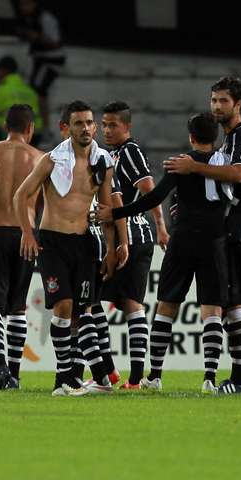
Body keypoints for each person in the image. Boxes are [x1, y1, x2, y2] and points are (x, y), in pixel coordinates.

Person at [97, 113, 241, 394]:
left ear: (191, 137)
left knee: (167, 305)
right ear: (215, 137)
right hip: (215, 240)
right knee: (211, 308)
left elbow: (153, 198)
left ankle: (155, 375)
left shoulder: (180, 163)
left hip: (183, 238)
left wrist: (116, 212)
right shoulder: (226, 165)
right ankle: (209, 378)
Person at [164, 76, 241, 393]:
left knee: (232, 302)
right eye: (213, 100)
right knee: (228, 302)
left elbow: (238, 173)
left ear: (238, 105)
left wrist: (193, 168)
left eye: (223, 101)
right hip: (230, 229)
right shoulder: (226, 142)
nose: (216, 106)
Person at [13, 100, 117, 396]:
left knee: (80, 314)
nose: (85, 128)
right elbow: (21, 196)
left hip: (84, 242)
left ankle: (84, 378)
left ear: (94, 126)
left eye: (89, 122)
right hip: (52, 241)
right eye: (78, 123)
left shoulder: (103, 162)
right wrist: (27, 234)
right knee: (63, 307)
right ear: (66, 129)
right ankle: (63, 378)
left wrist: (111, 249)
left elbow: (107, 208)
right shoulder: (51, 160)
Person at [100, 100, 170, 389]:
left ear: (127, 126)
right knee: (110, 304)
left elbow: (149, 189)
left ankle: (132, 377)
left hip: (133, 236)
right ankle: (114, 373)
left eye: (112, 125)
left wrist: (161, 227)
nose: (106, 130)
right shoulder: (110, 154)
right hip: (120, 236)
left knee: (126, 304)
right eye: (103, 124)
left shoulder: (130, 151)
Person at [0, 104, 42, 389]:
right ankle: (13, 374)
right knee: (17, 308)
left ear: (5, 126)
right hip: (25, 234)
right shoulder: (40, 158)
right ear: (30, 128)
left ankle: (0, 367)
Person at [15, 0, 65, 135]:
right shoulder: (27, 18)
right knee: (34, 90)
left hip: (51, 59)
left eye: (27, 4)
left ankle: (46, 129)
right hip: (39, 58)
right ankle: (37, 126)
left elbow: (55, 42)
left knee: (39, 90)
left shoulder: (45, 19)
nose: (23, 7)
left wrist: (37, 37)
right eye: (22, 4)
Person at [0, 56, 42, 139]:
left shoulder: (2, 90)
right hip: (32, 133)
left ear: (4, 71)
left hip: (8, 133)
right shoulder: (30, 91)